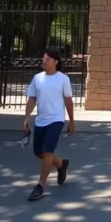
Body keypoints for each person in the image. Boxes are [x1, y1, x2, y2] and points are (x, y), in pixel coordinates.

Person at [22, 48, 75, 201]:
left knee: (47, 150)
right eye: (43, 58)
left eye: (47, 59)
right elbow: (32, 99)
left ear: (55, 62)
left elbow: (68, 100)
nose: (43, 61)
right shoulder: (37, 78)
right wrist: (26, 118)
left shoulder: (63, 79)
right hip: (41, 120)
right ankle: (61, 164)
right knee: (38, 152)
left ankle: (40, 185)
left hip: (56, 120)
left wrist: (71, 121)